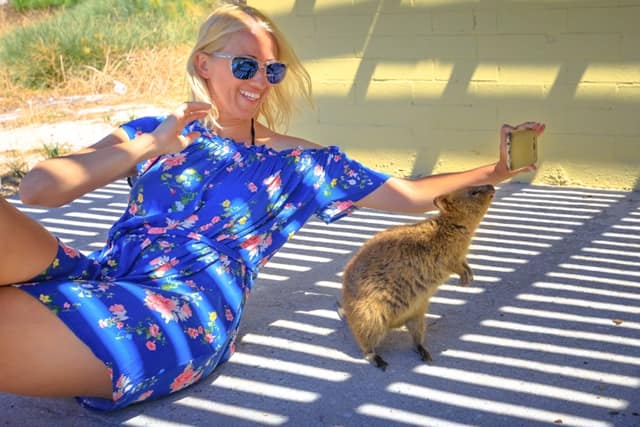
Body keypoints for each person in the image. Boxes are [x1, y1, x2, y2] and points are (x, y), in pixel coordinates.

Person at [0, 2, 545, 412]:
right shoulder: (152, 132)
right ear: (204, 65)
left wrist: (495, 171)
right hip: (107, 274)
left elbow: (403, 193)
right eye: (246, 66)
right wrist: (148, 146)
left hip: (180, 309)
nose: (260, 81)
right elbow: (38, 191)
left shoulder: (297, 163)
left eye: (272, 70)